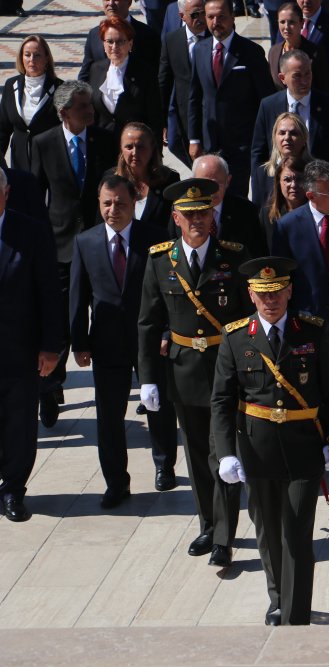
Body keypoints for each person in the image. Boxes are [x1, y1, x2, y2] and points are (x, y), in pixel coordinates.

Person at [211, 256, 329, 625]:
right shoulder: (236, 336)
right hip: (258, 450)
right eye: (262, 294)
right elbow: (222, 401)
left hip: (305, 447)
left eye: (277, 293)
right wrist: (225, 453)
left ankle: (296, 614)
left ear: (289, 291)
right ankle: (278, 598)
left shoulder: (313, 333)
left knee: (298, 532)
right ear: (251, 295)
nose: (270, 301)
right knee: (269, 530)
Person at [138, 177, 252, 566]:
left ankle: (224, 536)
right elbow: (149, 323)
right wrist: (149, 377)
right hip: (184, 369)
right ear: (176, 218)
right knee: (198, 454)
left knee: (224, 454)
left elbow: (245, 321)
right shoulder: (159, 261)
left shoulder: (233, 259)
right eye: (189, 215)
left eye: (203, 213)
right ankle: (208, 523)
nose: (197, 221)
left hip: (224, 369)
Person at [69, 175, 179, 508]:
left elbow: (170, 293)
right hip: (107, 341)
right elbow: (78, 296)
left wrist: (166, 333)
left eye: (119, 203)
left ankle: (165, 466)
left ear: (134, 204)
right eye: (106, 203)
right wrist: (79, 342)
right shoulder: (85, 242)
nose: (112, 209)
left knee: (158, 405)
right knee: (109, 416)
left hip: (150, 341)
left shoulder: (156, 239)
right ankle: (116, 482)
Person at [271, 160, 329, 478]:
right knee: (310, 389)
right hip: (304, 325)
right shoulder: (288, 226)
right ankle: (313, 449)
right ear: (312, 195)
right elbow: (282, 279)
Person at [30, 80, 117, 428]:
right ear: (65, 113)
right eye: (83, 107)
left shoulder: (104, 140)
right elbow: (36, 198)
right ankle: (50, 387)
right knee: (63, 319)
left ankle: (111, 381)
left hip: (98, 244)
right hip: (61, 246)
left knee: (106, 313)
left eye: (91, 106)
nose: (91, 111)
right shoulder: (44, 144)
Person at [0, 167, 63, 522]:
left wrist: (51, 347)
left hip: (20, 351)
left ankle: (13, 490)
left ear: (6, 194)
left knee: (20, 426)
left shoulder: (31, 233)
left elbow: (49, 294)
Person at [188, 0, 274, 197]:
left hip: (242, 143)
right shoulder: (199, 50)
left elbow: (266, 99)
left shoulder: (250, 52)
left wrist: (266, 140)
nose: (215, 22)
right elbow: (195, 97)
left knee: (236, 197)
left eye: (221, 17)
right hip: (210, 142)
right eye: (210, 17)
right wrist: (194, 138)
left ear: (232, 17)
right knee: (210, 196)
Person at [250, 51, 329, 206]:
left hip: (318, 196)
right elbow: (258, 155)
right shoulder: (268, 106)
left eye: (308, 74)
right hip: (280, 196)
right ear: (282, 78)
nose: (305, 81)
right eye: (297, 76)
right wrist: (260, 199)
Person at [90, 16, 164, 141]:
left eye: (120, 41)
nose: (114, 46)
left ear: (130, 44)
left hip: (135, 146)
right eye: (110, 41)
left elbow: (154, 116)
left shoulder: (144, 72)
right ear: (103, 44)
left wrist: (154, 151)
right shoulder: (96, 69)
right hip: (102, 145)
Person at [0, 36, 62, 172]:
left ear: (47, 58)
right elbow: (3, 128)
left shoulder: (59, 87)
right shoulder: (11, 85)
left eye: (37, 55)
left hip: (49, 162)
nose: (31, 60)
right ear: (21, 58)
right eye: (27, 55)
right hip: (20, 160)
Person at [158, 0, 208, 168]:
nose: (201, 19)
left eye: (203, 13)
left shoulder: (214, 37)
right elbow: (164, 80)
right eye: (195, 15)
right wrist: (162, 119)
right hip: (183, 109)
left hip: (209, 111)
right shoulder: (172, 41)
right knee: (175, 144)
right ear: (182, 16)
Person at [191, 154, 268, 259]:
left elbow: (255, 254)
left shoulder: (247, 212)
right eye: (205, 184)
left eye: (216, 184)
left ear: (228, 181)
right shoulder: (183, 212)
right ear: (193, 181)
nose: (211, 190)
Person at [111, 122, 181, 229]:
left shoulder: (169, 180)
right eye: (129, 147)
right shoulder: (111, 180)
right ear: (121, 148)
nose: (135, 152)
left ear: (152, 148)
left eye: (140, 147)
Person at [80, 0, 161, 83]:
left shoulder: (148, 35)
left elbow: (157, 74)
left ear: (129, 2)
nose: (110, 3)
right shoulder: (94, 35)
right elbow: (85, 74)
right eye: (106, 0)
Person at [250, 112, 314, 210]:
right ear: (274, 138)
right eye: (282, 133)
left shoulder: (316, 171)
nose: (287, 137)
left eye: (293, 133)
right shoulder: (262, 172)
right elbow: (258, 210)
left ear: (304, 138)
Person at [267, 3, 329, 96]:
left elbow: (325, 87)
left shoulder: (315, 53)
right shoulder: (274, 52)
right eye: (282, 22)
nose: (286, 27)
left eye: (291, 22)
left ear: (302, 23)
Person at [260, 157, 307, 250]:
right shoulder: (266, 214)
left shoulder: (317, 212)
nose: (293, 185)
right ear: (279, 182)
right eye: (287, 180)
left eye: (299, 179)